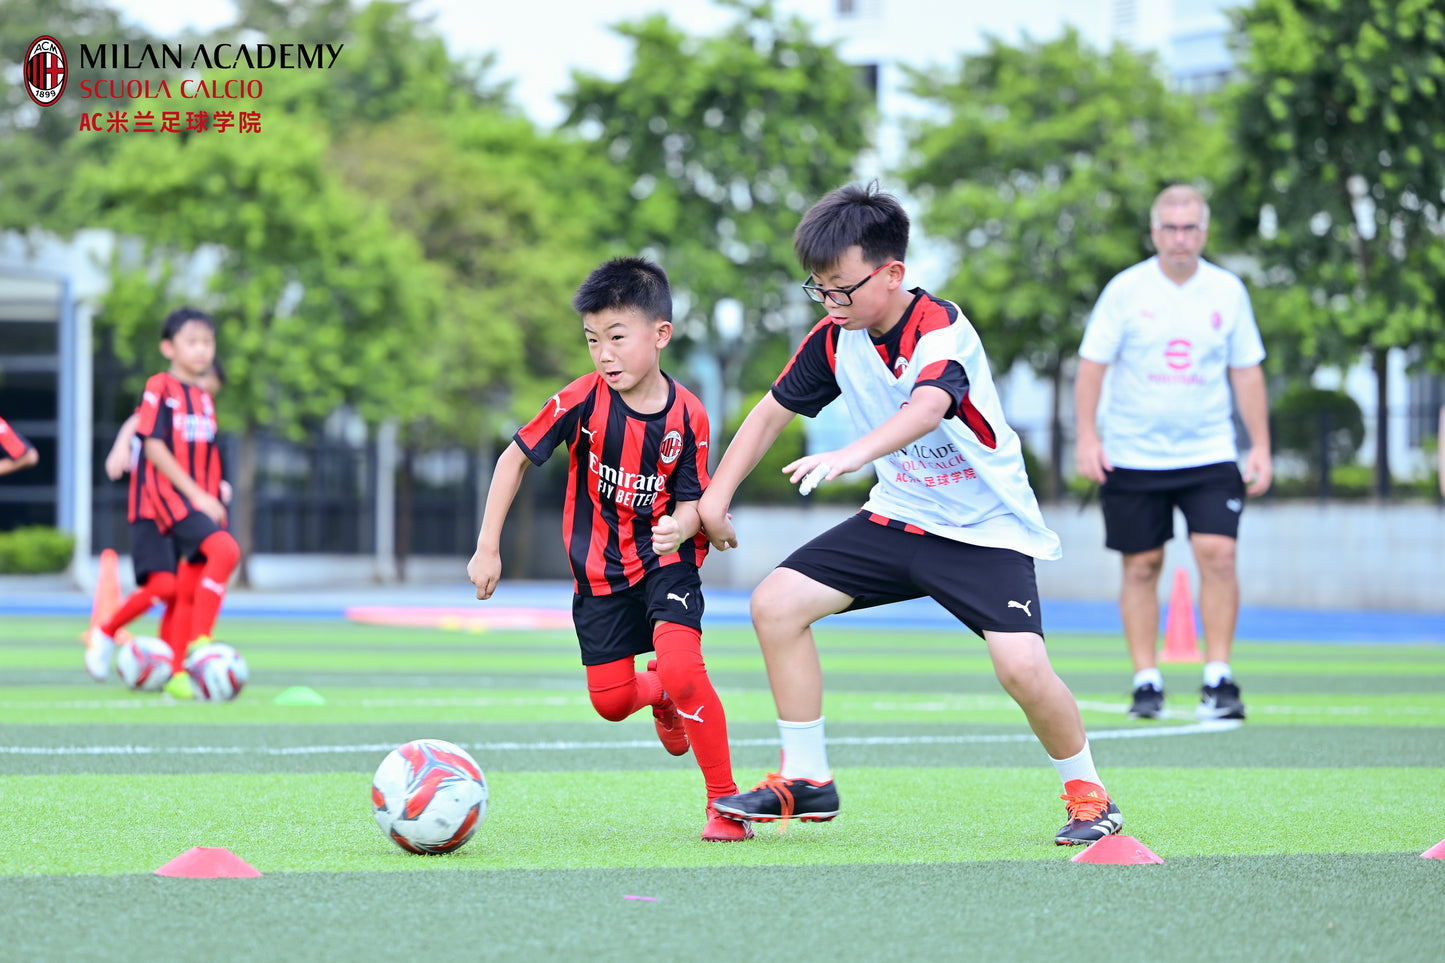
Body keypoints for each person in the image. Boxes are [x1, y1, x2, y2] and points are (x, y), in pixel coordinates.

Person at [696, 183, 1123, 846]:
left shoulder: (939, 329)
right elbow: (770, 411)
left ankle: (1088, 794)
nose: (830, 302)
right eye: (818, 288)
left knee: (1021, 668)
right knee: (774, 603)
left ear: (891, 273)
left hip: (984, 528)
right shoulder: (834, 336)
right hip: (899, 516)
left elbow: (927, 407)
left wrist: (849, 454)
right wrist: (713, 499)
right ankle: (807, 777)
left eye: (840, 287)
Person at [466, 256, 751, 843]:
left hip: (666, 562)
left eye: (617, 338)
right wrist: (486, 545)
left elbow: (696, 495)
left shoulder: (689, 413)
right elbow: (513, 458)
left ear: (660, 334)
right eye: (593, 340)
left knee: (682, 664)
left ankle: (725, 805)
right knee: (613, 701)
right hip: (597, 572)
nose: (603, 354)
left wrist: (686, 522)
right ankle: (661, 697)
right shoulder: (580, 399)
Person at [1074, 184, 1272, 723]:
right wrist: (1087, 438)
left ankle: (1218, 678)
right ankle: (1146, 680)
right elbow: (1091, 365)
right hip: (1134, 454)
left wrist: (1260, 445)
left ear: (1204, 232)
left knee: (1219, 555)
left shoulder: (1227, 291)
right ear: (1154, 232)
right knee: (1142, 565)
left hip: (1209, 452)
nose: (1180, 237)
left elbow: (1246, 370)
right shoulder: (1125, 290)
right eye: (1170, 227)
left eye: (1190, 228)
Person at [85, 308, 239, 699]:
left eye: (208, 343)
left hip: (192, 502)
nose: (203, 350)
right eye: (194, 342)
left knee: (182, 590)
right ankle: (197, 643)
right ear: (168, 347)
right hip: (163, 506)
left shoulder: (203, 400)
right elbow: (148, 437)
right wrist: (197, 494)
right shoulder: (160, 387)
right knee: (218, 553)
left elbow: (206, 452)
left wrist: (216, 487)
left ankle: (175, 673)